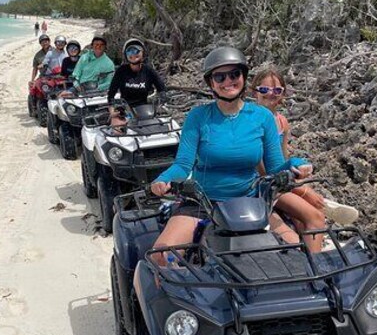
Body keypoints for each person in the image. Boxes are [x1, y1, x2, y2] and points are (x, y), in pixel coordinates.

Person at [150, 46, 319, 253]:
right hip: (203, 205)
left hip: (251, 204)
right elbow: (183, 165)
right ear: (210, 83)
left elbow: (275, 167)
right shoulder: (198, 117)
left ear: (244, 77)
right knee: (161, 255)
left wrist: (296, 163)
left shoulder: (262, 117)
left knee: (296, 253)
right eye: (219, 77)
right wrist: (163, 179)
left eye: (234, 74)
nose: (228, 81)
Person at [251, 69, 359, 228]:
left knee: (302, 221)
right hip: (263, 183)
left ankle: (316, 211)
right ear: (255, 92)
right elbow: (261, 170)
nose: (271, 94)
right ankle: (320, 204)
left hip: (281, 178)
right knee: (314, 214)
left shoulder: (282, 122)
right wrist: (302, 191)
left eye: (277, 90)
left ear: (283, 93)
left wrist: (298, 177)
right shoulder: (251, 123)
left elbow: (284, 158)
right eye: (264, 90)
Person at [107, 37, 166, 127]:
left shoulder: (148, 70)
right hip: (125, 111)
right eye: (129, 51)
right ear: (125, 55)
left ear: (143, 53)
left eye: (136, 51)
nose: (133, 54)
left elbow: (161, 87)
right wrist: (112, 111)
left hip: (146, 111)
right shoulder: (121, 71)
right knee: (117, 129)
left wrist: (162, 99)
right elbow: (111, 94)